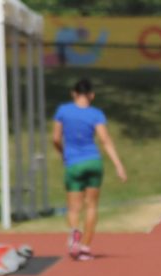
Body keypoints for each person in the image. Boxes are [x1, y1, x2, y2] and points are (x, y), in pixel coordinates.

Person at [52, 78, 127, 261]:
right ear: (91, 95)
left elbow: (55, 138)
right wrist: (118, 165)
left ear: (73, 93)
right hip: (93, 162)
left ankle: (74, 234)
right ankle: (85, 246)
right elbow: (104, 139)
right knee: (91, 205)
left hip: (74, 163)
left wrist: (63, 153)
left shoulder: (63, 111)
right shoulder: (96, 114)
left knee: (74, 207)